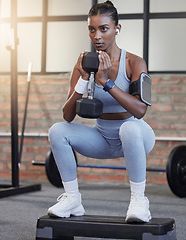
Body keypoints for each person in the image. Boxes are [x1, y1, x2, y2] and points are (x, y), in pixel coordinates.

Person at [47, 1, 155, 223]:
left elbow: (140, 110)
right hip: (102, 137)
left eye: (103, 28)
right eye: (92, 29)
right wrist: (84, 79)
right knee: (57, 131)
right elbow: (67, 116)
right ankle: (73, 199)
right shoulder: (84, 64)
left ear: (117, 29)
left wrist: (106, 82)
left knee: (129, 127)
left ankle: (139, 201)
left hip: (137, 135)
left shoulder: (134, 62)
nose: (97, 35)